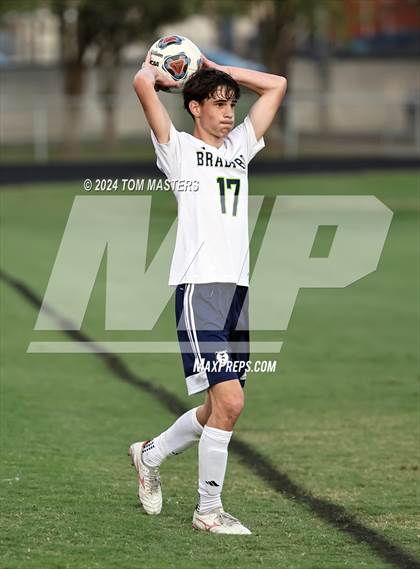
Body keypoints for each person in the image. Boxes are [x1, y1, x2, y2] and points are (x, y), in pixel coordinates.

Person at [129, 46, 287, 534]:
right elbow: (142, 82)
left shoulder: (239, 148)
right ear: (195, 107)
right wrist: (167, 75)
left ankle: (149, 454)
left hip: (236, 294)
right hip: (199, 292)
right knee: (232, 404)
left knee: (217, 408)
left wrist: (216, 71)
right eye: (218, 104)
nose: (228, 113)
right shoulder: (177, 150)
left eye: (231, 104)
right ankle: (208, 511)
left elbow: (277, 84)